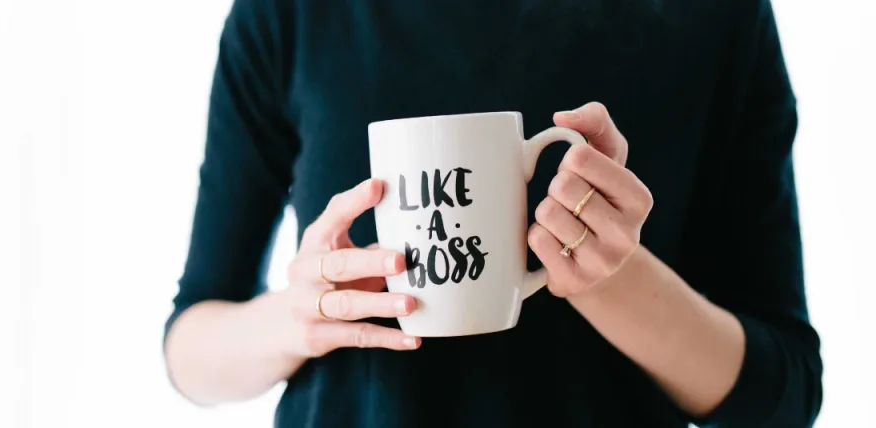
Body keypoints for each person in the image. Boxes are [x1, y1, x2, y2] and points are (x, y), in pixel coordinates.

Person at [163, 1, 823, 427]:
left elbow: (784, 394)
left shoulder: (713, 18)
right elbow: (189, 351)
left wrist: (609, 278)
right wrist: (300, 317)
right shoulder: (288, 15)